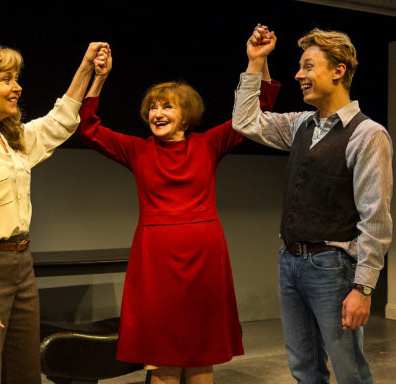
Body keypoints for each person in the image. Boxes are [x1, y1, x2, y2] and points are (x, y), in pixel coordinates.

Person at [75, 50, 280, 384]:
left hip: (204, 259)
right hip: (156, 264)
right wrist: (98, 78)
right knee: (163, 358)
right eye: (153, 107)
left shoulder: (209, 144)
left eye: (167, 106)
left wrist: (259, 60)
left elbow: (259, 113)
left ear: (186, 117)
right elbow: (86, 128)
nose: (157, 113)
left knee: (201, 358)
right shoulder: (137, 150)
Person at [0, 42, 110, 384]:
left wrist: (88, 69)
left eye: (17, 78)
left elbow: (61, 121)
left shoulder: (11, 141)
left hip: (21, 266)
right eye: (6, 79)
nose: (18, 87)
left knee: (25, 373)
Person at [232, 25, 393, 384]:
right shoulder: (302, 124)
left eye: (308, 66)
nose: (298, 75)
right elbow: (245, 121)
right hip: (290, 260)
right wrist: (255, 62)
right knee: (304, 370)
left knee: (349, 370)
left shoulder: (368, 134)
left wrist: (363, 288)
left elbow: (375, 218)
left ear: (338, 70)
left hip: (332, 267)